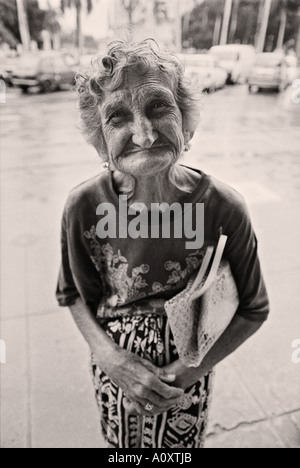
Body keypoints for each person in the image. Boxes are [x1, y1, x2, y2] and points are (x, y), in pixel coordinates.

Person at [56, 40, 269, 449]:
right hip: (116, 378)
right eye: (117, 117)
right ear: (100, 140)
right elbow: (71, 294)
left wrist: (184, 374)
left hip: (188, 380)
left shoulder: (223, 208)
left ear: (186, 121)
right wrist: (112, 359)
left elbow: (254, 309)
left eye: (158, 106)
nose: (144, 133)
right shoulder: (83, 206)